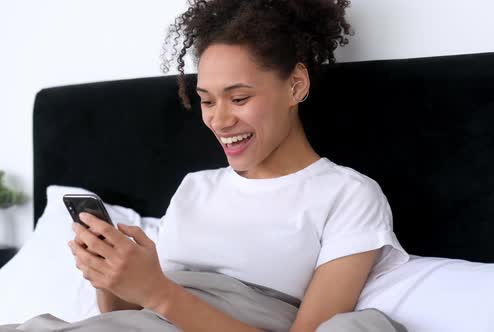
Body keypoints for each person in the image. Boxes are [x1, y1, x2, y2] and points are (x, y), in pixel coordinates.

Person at [67, 0, 410, 331]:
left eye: (239, 98)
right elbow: (130, 317)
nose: (219, 119)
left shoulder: (348, 196)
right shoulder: (194, 188)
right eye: (206, 100)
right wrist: (111, 277)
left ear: (296, 85)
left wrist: (158, 291)